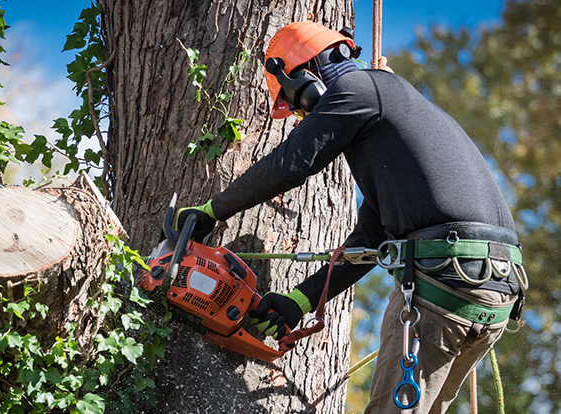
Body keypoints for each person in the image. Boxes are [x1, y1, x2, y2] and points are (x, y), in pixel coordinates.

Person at [176, 21, 525, 414]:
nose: (302, 118)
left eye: (297, 106)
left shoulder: (357, 90)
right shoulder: (394, 121)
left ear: (303, 78)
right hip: (492, 294)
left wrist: (211, 211)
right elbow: (371, 239)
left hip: (443, 283)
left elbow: (292, 163)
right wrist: (299, 301)